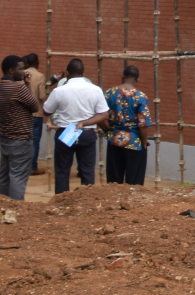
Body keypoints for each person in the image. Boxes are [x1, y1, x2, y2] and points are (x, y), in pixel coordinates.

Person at [43, 57, 107, 193]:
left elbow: (46, 110)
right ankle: (86, 203)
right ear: (83, 72)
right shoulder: (95, 90)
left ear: (67, 73)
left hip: (67, 131)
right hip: (87, 132)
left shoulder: (60, 91)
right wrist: (84, 122)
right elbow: (103, 114)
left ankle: (61, 203)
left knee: (62, 170)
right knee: (87, 171)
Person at [0, 55, 40, 201]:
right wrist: (27, 85)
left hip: (6, 137)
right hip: (21, 139)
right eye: (21, 69)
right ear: (11, 70)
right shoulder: (18, 88)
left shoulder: (1, 86)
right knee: (18, 176)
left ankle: (1, 203)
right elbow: (34, 106)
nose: (24, 71)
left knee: (4, 174)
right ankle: (16, 206)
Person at [104, 65, 152, 186]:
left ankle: (114, 203)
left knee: (114, 182)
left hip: (114, 140)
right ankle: (130, 203)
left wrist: (108, 131)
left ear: (122, 76)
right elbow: (143, 124)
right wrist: (144, 143)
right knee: (134, 183)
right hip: (134, 143)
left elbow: (100, 115)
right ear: (138, 79)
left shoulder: (110, 93)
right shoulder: (141, 97)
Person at [22, 54, 50, 176]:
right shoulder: (40, 76)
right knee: (35, 140)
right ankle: (32, 166)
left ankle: (22, 165)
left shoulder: (21, 74)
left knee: (23, 139)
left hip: (23, 112)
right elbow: (42, 96)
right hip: (36, 113)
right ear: (38, 62)